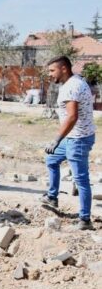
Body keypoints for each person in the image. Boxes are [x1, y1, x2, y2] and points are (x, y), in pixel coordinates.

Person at [41, 56, 96, 231]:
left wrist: (57, 138)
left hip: (77, 139)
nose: (50, 75)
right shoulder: (75, 82)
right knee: (52, 160)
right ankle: (52, 197)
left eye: (52, 70)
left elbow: (72, 116)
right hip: (73, 137)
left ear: (64, 68)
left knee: (80, 178)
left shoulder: (71, 87)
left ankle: (85, 219)